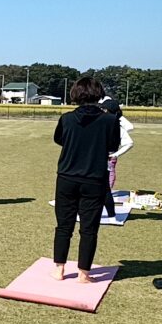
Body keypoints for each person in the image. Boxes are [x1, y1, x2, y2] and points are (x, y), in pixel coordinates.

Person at [52, 77, 120, 283]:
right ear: (99, 94)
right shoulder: (110, 120)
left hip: (66, 177)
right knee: (89, 229)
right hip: (94, 179)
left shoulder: (67, 118)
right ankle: (83, 273)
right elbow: (113, 145)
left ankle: (59, 270)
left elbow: (59, 139)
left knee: (64, 226)